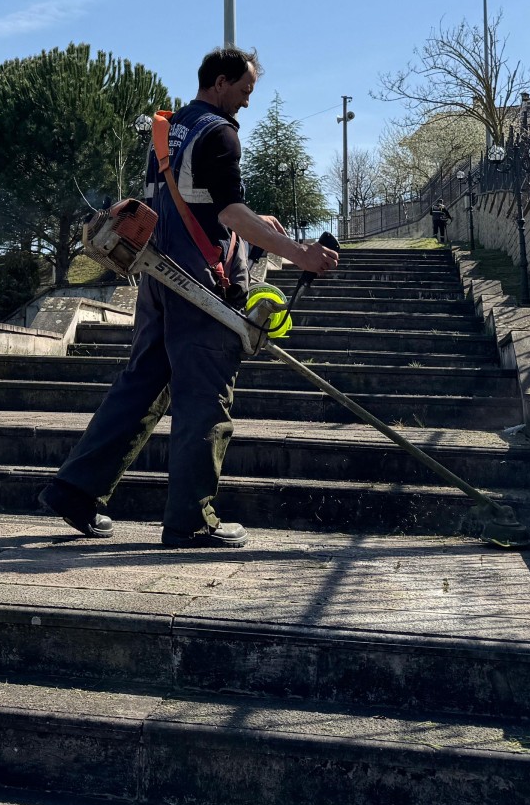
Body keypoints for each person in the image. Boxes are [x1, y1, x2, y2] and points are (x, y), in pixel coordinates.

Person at [38, 47, 340, 548]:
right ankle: (191, 521)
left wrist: (250, 221)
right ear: (219, 82)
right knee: (204, 399)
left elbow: (195, 201)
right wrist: (298, 253)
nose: (246, 102)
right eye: (244, 91)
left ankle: (76, 490)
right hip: (201, 286)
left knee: (140, 387)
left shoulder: (170, 128)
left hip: (158, 278)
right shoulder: (220, 134)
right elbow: (227, 214)